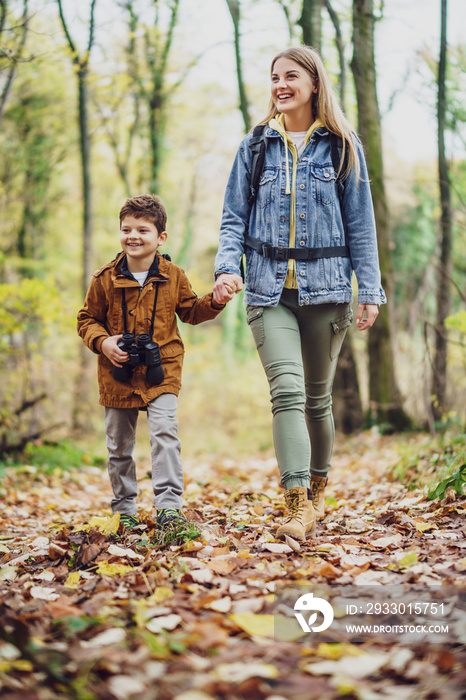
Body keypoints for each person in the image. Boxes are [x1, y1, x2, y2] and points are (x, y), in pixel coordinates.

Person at [213, 46, 386, 541]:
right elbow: (232, 218)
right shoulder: (254, 146)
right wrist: (229, 268)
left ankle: (316, 491)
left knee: (317, 401)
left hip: (328, 290)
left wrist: (368, 289)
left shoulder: (341, 146)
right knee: (285, 392)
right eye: (274, 77)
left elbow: (361, 225)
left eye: (291, 76)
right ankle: (295, 504)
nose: (280, 85)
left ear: (314, 84)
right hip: (268, 291)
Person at [77, 194, 230, 530]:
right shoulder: (104, 278)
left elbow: (190, 312)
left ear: (160, 237)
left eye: (142, 230)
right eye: (126, 229)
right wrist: (103, 343)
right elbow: (86, 319)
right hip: (117, 372)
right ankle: (125, 510)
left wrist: (215, 301)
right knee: (119, 444)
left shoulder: (174, 276)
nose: (133, 236)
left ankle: (169, 507)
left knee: (164, 433)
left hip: (163, 368)